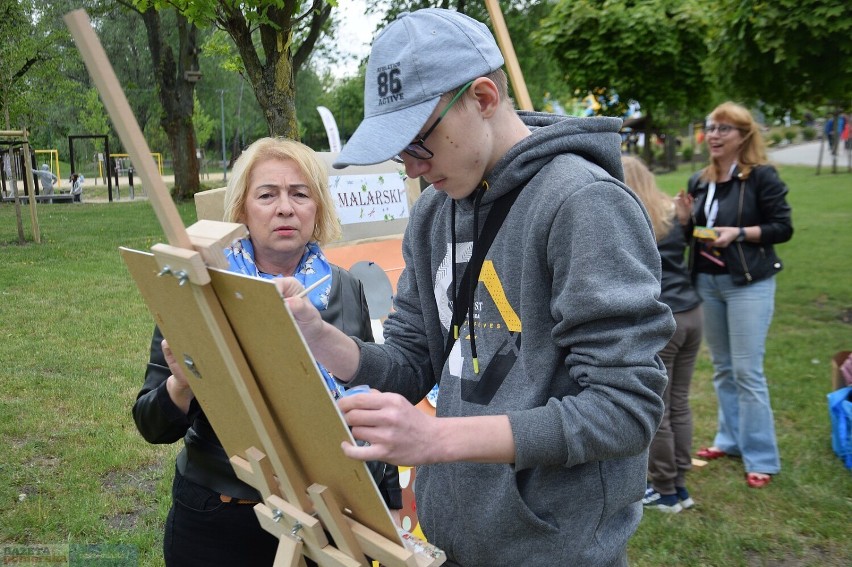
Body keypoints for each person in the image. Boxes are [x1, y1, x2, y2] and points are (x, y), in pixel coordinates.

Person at [278, 9, 675, 566]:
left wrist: (435, 441)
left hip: (553, 548)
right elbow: (413, 361)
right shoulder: (434, 212)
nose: (412, 170)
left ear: (483, 98)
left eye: (418, 142)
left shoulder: (584, 203)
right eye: (400, 152)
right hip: (456, 538)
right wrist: (321, 338)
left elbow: (624, 411)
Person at [132, 138, 402, 566]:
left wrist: (388, 501)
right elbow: (151, 424)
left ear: (318, 209)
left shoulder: (348, 288)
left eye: (300, 193)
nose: (285, 208)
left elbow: (367, 394)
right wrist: (183, 384)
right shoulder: (199, 287)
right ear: (242, 210)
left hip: (331, 521)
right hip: (222, 520)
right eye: (267, 195)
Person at [675, 101, 793, 489]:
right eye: (710, 127)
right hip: (707, 282)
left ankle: (761, 457)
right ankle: (729, 440)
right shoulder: (700, 180)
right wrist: (683, 220)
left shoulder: (762, 178)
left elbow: (782, 227)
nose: (713, 135)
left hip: (748, 283)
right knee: (724, 368)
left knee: (747, 371)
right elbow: (693, 234)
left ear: (744, 136)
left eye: (724, 129)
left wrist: (739, 233)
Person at [622, 156, 703, 514]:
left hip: (665, 319)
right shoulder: (670, 214)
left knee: (660, 409)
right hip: (693, 314)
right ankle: (680, 484)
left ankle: (666, 489)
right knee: (679, 401)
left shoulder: (630, 216)